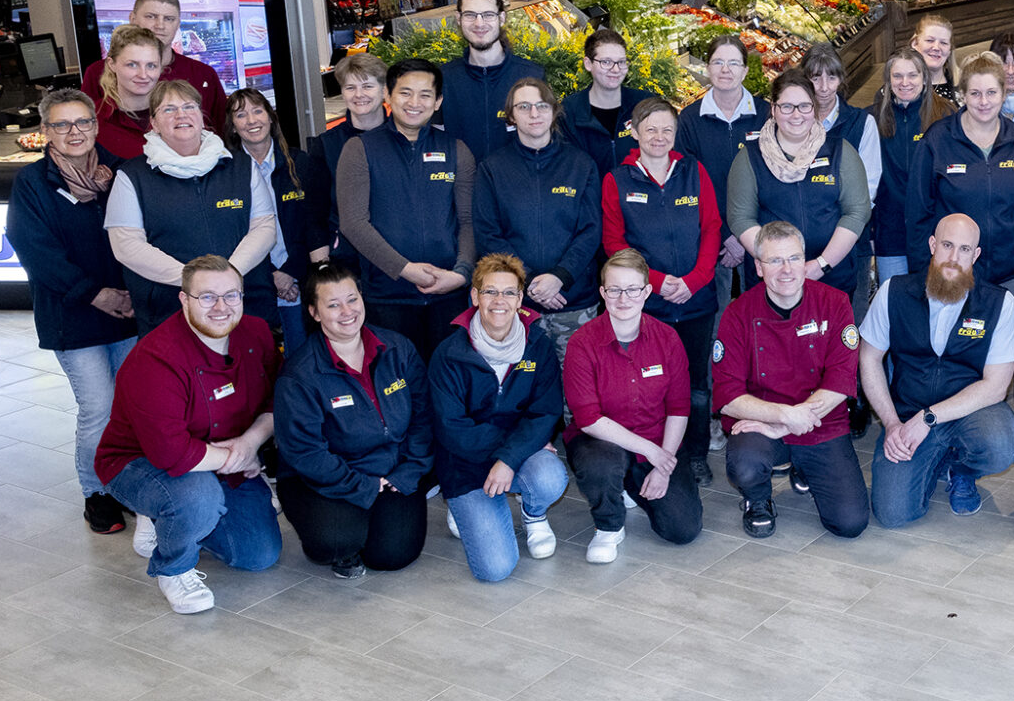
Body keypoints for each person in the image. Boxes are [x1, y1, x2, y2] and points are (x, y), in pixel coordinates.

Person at [93, 256, 282, 613]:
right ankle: (173, 567)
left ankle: (172, 516)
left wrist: (251, 442)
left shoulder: (256, 333)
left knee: (258, 554)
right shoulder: (156, 357)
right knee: (196, 497)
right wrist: (235, 459)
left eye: (232, 296)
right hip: (141, 462)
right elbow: (171, 453)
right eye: (207, 297)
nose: (222, 307)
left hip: (221, 458)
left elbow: (278, 398)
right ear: (184, 300)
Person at [6, 88, 139, 532]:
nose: (74, 132)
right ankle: (96, 493)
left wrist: (127, 294)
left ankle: (126, 485)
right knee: (98, 407)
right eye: (61, 125)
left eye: (82, 122)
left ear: (96, 126)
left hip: (126, 312)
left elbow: (138, 237)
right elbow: (37, 253)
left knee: (129, 404)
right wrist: (94, 293)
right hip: (73, 316)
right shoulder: (33, 184)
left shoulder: (119, 173)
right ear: (46, 132)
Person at [272, 259, 434, 579]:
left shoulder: (398, 349)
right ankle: (344, 540)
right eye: (333, 304)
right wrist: (364, 486)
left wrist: (407, 473)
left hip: (392, 471)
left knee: (392, 554)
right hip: (325, 480)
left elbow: (423, 419)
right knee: (337, 540)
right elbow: (306, 453)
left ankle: (369, 523)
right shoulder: (300, 375)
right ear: (314, 312)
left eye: (352, 299)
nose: (347, 311)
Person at [861, 213, 1014, 524]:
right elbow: (869, 359)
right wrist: (892, 423)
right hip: (907, 413)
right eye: (947, 245)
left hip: (970, 413)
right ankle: (937, 459)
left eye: (964, 249)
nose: (953, 258)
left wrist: (929, 418)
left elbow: (996, 386)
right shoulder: (893, 292)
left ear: (975, 255)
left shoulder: (999, 303)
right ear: (933, 245)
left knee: (1002, 443)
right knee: (893, 514)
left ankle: (962, 468)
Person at [713, 221, 867, 541]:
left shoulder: (835, 303)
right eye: (774, 261)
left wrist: (787, 425)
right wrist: (783, 417)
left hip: (821, 423)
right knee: (745, 464)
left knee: (850, 523)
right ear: (758, 267)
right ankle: (757, 500)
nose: (786, 270)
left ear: (805, 259)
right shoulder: (738, 313)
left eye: (794, 259)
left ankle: (804, 466)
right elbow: (728, 395)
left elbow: (841, 380)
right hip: (761, 423)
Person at [426, 253, 570, 581]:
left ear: (520, 299)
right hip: (464, 463)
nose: (499, 301)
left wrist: (509, 460)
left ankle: (533, 512)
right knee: (495, 570)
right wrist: (511, 452)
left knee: (549, 476)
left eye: (509, 292)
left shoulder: (538, 346)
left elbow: (545, 411)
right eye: (490, 291)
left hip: (514, 455)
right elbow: (452, 428)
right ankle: (465, 508)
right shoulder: (449, 354)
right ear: (474, 296)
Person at [601, 95, 720, 485]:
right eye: (650, 128)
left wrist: (693, 281)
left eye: (667, 129)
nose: (659, 136)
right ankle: (648, 455)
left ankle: (696, 455)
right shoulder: (618, 179)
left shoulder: (694, 172)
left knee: (697, 385)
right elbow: (615, 244)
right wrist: (655, 281)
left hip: (696, 300)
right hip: (645, 305)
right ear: (634, 132)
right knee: (650, 383)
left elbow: (711, 229)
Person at [105, 78, 278, 335]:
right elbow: (127, 246)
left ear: (201, 116)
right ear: (153, 123)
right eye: (169, 109)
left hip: (245, 305)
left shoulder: (240, 165)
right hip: (169, 313)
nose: (181, 115)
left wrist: (226, 279)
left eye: (189, 107)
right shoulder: (132, 176)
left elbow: (264, 228)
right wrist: (195, 283)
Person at [563, 249, 703, 559]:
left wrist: (663, 465)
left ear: (647, 292)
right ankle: (609, 526)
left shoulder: (667, 339)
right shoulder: (582, 343)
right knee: (602, 463)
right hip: (599, 441)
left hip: (655, 439)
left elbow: (679, 408)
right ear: (602, 292)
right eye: (614, 289)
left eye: (632, 289)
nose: (623, 298)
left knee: (683, 529)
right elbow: (588, 418)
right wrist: (652, 452)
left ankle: (629, 484)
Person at [335, 58, 476, 359]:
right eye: (405, 92)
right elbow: (353, 223)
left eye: (425, 94)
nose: (415, 102)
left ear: (438, 102)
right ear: (388, 95)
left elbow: (468, 220)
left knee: (448, 384)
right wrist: (406, 270)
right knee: (396, 387)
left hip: (449, 298)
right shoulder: (360, 150)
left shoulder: (456, 150)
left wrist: (462, 273)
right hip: (388, 299)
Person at [908, 54, 1014, 328]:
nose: (984, 102)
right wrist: (925, 268)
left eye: (992, 92)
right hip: (951, 272)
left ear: (1004, 92)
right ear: (963, 95)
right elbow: (918, 212)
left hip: (1009, 272)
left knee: (1002, 351)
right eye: (975, 93)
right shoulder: (938, 140)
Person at [475, 77, 605, 359]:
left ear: (554, 111)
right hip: (516, 305)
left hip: (574, 302)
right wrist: (530, 281)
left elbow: (591, 230)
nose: (534, 114)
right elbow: (488, 234)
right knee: (522, 390)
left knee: (576, 388)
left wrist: (560, 277)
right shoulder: (493, 168)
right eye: (524, 107)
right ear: (511, 115)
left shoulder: (581, 164)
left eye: (542, 106)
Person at [727, 69, 871, 300]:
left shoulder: (840, 151)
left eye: (804, 106)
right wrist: (781, 264)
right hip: (773, 282)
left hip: (832, 277)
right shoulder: (749, 157)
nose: (796, 115)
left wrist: (822, 264)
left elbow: (856, 212)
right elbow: (740, 218)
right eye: (787, 106)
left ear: (814, 109)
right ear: (773, 109)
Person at [674, 35, 762, 307]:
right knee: (717, 320)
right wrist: (726, 234)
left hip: (759, 234)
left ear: (745, 70)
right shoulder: (689, 120)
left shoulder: (766, 115)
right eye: (718, 62)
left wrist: (745, 234)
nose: (726, 69)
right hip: (711, 238)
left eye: (734, 63)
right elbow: (688, 184)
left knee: (760, 314)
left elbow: (774, 179)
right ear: (708, 68)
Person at [226, 87, 309, 353]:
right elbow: (230, 235)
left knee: (301, 363)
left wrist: (289, 273)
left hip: (299, 284)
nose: (252, 121)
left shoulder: (301, 163)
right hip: (253, 288)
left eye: (258, 111)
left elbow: (314, 226)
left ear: (271, 117)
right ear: (232, 126)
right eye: (241, 115)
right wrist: (270, 276)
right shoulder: (224, 173)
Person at [82, 0, 227, 131]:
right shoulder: (97, 72)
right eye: (151, 16)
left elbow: (220, 132)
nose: (160, 26)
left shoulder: (203, 74)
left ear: (178, 24)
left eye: (169, 19)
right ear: (132, 18)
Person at [805, 42, 882, 306]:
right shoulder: (792, 121)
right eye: (815, 78)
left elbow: (868, 189)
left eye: (832, 77)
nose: (824, 87)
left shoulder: (861, 123)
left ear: (841, 79)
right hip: (801, 244)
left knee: (849, 321)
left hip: (851, 244)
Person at [437, 0, 546, 159]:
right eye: (470, 15)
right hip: (464, 184)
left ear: (501, 18)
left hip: (515, 183)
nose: (479, 23)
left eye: (488, 15)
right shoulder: (444, 79)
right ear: (458, 19)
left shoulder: (531, 75)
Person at [872, 50, 951, 283]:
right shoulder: (873, 119)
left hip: (933, 235)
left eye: (912, 75)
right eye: (897, 76)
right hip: (890, 234)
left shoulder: (945, 114)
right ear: (888, 80)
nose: (905, 83)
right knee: (895, 304)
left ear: (925, 78)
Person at [302, 53, 388, 264]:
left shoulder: (404, 138)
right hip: (347, 259)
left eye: (367, 86)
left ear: (384, 90)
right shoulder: (325, 145)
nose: (359, 94)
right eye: (350, 87)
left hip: (398, 256)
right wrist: (323, 266)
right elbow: (314, 212)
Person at [561, 27, 651, 180]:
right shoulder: (569, 112)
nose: (615, 69)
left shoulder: (644, 104)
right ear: (588, 64)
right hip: (591, 201)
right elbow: (567, 169)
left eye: (621, 62)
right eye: (606, 62)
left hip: (639, 201)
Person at [92, 24, 166, 159]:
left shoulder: (178, 113)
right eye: (132, 64)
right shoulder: (93, 119)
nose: (143, 75)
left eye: (151, 65)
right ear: (111, 64)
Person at [910, 13, 960, 103]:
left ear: (950, 50)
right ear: (915, 43)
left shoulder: (963, 85)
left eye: (943, 43)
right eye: (930, 40)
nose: (936, 47)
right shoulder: (900, 86)